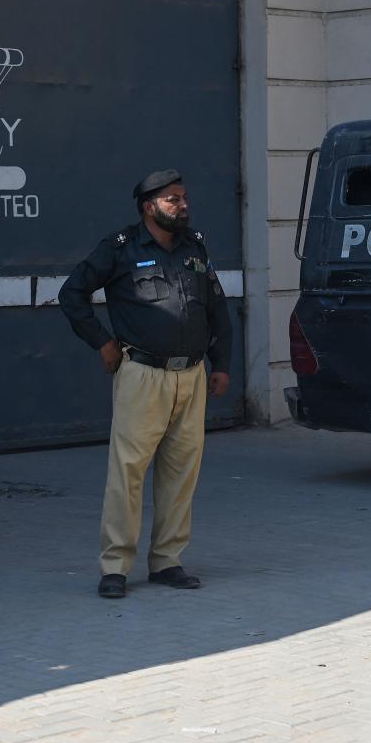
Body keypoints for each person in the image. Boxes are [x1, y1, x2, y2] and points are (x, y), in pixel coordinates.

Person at [59, 170, 232, 599]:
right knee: (129, 472)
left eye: (184, 197)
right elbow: (72, 293)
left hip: (191, 376)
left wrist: (222, 364)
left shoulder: (195, 248)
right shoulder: (120, 249)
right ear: (148, 207)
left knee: (181, 472)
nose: (183, 205)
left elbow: (217, 309)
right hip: (142, 376)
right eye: (173, 199)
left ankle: (167, 562)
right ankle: (115, 567)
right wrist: (102, 343)